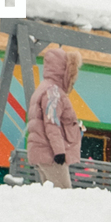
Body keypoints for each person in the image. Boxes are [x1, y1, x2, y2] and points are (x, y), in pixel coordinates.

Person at [29, 46, 83, 189]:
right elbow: (52, 123)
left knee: (50, 196)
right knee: (64, 194)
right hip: (51, 154)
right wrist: (59, 152)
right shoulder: (53, 92)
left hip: (42, 152)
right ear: (64, 69)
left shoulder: (43, 88)